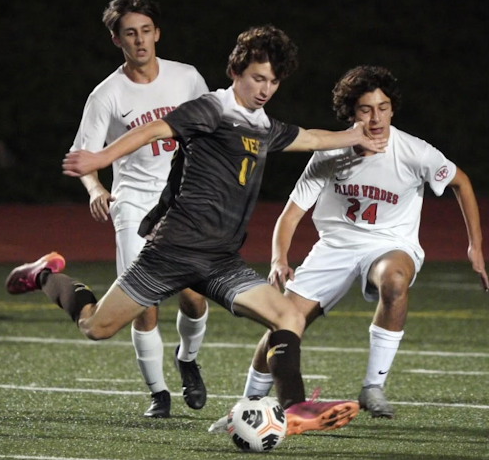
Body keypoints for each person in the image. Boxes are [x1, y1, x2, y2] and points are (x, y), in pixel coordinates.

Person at [6, 26, 388, 435]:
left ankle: (295, 407)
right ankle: (44, 274)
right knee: (95, 327)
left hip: (220, 259)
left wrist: (354, 136)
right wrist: (99, 157)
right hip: (173, 251)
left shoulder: (263, 125)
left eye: (274, 81)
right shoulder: (211, 108)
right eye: (258, 78)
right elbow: (153, 130)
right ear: (236, 71)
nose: (265, 89)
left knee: (288, 315)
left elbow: (309, 137)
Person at [208, 65, 488, 433]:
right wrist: (279, 258)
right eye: (366, 109)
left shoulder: (414, 152)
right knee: (284, 322)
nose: (376, 118)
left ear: (392, 108)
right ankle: (248, 406)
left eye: (383, 107)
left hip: (391, 243)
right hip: (335, 247)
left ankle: (373, 386)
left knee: (395, 280)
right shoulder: (330, 153)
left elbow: (461, 182)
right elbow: (291, 215)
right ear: (350, 113)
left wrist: (475, 247)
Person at [69, 0, 210, 418]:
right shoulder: (106, 95)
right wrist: (96, 190)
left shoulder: (187, 78)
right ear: (117, 40)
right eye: (130, 32)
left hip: (183, 203)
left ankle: (187, 359)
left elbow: (212, 130)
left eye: (146, 30)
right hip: (133, 205)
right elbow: (82, 157)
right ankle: (159, 394)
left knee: (194, 297)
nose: (140, 40)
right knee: (142, 303)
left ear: (158, 33)